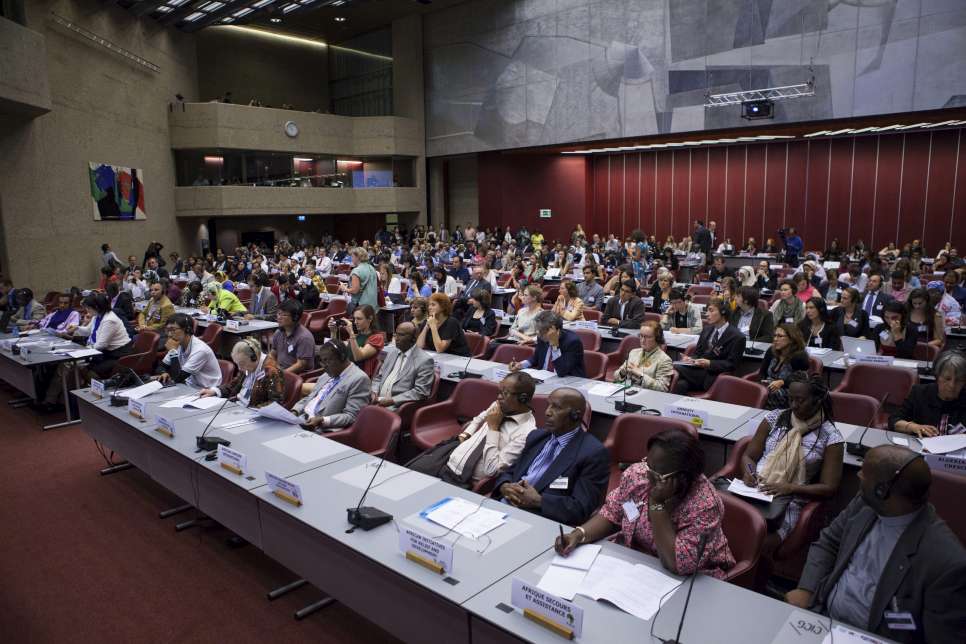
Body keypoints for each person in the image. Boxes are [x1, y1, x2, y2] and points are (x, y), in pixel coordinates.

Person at [785, 445, 966, 643]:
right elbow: (829, 542)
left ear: (882, 490)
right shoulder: (865, 503)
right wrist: (806, 589)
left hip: (872, 637)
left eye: (864, 472)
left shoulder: (947, 563)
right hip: (819, 617)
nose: (858, 475)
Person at [557, 429, 735, 578]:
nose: (646, 475)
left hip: (691, 579)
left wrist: (657, 504)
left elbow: (678, 564)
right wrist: (578, 535)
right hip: (633, 563)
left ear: (683, 477)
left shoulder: (705, 505)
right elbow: (612, 513)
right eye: (648, 465)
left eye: (656, 474)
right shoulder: (638, 475)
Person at [739, 372, 844, 545]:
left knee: (753, 541)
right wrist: (750, 472)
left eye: (800, 400)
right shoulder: (775, 418)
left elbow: (829, 487)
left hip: (790, 500)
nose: (793, 405)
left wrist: (790, 487)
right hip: (756, 490)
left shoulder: (831, 437)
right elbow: (749, 456)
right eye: (790, 399)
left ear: (817, 401)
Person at [492, 388, 609, 525]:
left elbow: (581, 508)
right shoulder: (536, 437)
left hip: (540, 520)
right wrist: (504, 486)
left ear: (575, 415)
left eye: (557, 408)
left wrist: (539, 501)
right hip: (503, 508)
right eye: (548, 405)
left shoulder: (592, 453)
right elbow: (511, 471)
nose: (547, 412)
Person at [423, 373, 538, 488]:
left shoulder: (526, 433)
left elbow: (492, 470)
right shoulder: (500, 405)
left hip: (464, 482)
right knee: (411, 476)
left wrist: (493, 429)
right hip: (446, 460)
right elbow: (479, 418)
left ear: (523, 398)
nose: (499, 397)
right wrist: (465, 434)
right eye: (500, 391)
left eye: (505, 393)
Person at [292, 340, 370, 431]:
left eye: (327, 361)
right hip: (301, 419)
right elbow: (311, 397)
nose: (324, 366)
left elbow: (351, 416)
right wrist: (295, 411)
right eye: (322, 361)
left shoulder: (359, 379)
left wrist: (323, 420)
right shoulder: (327, 375)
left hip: (320, 429)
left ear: (342, 357)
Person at [673, 298, 746, 394]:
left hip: (713, 376)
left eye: (711, 310)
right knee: (680, 385)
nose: (707, 314)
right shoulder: (707, 329)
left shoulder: (737, 337)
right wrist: (690, 359)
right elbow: (698, 353)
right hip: (696, 372)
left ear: (723, 312)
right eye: (707, 311)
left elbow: (732, 364)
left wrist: (710, 363)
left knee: (673, 366)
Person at [889, 350, 966, 437]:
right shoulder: (919, 393)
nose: (952, 385)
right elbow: (894, 420)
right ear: (937, 376)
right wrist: (914, 427)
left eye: (959, 380)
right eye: (947, 379)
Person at [199, 338, 284, 408]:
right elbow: (234, 385)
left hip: (252, 413)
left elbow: (275, 403)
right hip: (237, 406)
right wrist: (214, 391)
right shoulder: (246, 365)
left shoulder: (271, 371)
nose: (239, 368)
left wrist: (251, 410)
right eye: (237, 364)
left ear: (255, 358)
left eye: (242, 364)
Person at [64, 293, 133, 378]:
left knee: (89, 370)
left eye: (88, 308)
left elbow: (101, 345)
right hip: (106, 352)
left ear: (97, 307)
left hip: (118, 355)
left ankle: (101, 388)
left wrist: (81, 351)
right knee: (79, 367)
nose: (87, 310)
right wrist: (76, 328)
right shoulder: (97, 316)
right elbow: (88, 331)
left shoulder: (109, 320)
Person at [370, 322, 435, 410]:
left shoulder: (424, 360)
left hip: (398, 406)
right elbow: (379, 377)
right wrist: (374, 392)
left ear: (413, 338)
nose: (396, 338)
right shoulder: (392, 353)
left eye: (401, 335)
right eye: (395, 334)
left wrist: (393, 400)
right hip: (377, 401)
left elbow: (420, 391)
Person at [509, 311, 585, 378]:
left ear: (555, 330)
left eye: (542, 332)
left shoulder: (573, 342)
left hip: (568, 382)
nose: (539, 335)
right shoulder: (541, 337)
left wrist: (555, 346)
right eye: (537, 331)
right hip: (544, 378)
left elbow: (562, 371)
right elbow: (536, 358)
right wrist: (521, 365)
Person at [156, 313, 222, 388]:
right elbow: (161, 366)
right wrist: (163, 372)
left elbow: (177, 378)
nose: (169, 334)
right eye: (167, 330)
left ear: (187, 329)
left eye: (173, 330)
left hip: (206, 390)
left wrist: (173, 352)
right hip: (189, 385)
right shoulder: (178, 343)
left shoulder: (200, 350)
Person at [758, 323, 810, 409]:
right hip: (769, 387)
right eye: (775, 336)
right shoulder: (771, 351)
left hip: (789, 392)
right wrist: (762, 383)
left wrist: (782, 382)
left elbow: (801, 380)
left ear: (791, 339)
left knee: (766, 394)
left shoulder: (799, 356)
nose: (775, 339)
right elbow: (762, 372)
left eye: (780, 336)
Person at [613, 321, 673, 392]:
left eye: (647, 337)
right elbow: (615, 377)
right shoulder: (634, 352)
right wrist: (622, 372)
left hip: (647, 396)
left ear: (657, 339)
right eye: (641, 336)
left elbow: (662, 388)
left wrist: (640, 375)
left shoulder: (664, 360)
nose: (643, 340)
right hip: (628, 391)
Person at [334, 304, 385, 378]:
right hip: (346, 374)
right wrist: (333, 331)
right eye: (354, 319)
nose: (355, 322)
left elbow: (358, 357)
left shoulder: (377, 338)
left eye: (359, 319)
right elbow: (334, 350)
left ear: (370, 319)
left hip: (360, 378)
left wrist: (351, 333)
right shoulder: (358, 335)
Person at [417, 292, 470, 356]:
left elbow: (440, 349)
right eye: (429, 305)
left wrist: (433, 327)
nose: (429, 307)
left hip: (458, 358)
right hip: (438, 357)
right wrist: (426, 327)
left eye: (433, 305)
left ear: (443, 307)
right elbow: (419, 346)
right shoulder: (429, 321)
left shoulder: (452, 322)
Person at [269, 299, 315, 374]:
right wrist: (271, 367)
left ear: (295, 318)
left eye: (284, 315)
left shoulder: (304, 337)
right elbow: (272, 354)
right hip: (281, 371)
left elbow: (301, 365)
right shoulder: (278, 332)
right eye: (278, 314)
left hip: (297, 376)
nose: (279, 317)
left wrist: (280, 374)